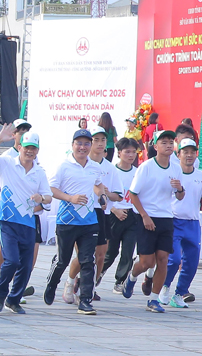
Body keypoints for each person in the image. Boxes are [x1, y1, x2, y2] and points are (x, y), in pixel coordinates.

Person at [0, 126, 51, 314]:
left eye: (33, 148)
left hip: (28, 223)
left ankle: (14, 300)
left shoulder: (39, 172)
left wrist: (41, 198)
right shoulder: (7, 163)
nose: (30, 151)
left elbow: (49, 197)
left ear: (37, 150)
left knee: (26, 266)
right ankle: (0, 295)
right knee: (11, 261)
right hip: (8, 221)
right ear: (19, 147)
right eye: (26, 147)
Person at [122, 130, 184, 312]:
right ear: (155, 146)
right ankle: (132, 276)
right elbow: (133, 195)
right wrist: (144, 216)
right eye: (163, 142)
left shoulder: (175, 167)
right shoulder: (146, 167)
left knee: (163, 259)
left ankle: (154, 299)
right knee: (147, 262)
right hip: (146, 217)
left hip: (166, 217)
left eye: (171, 142)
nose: (168, 145)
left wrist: (180, 188)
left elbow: (180, 196)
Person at [44, 128, 104, 314]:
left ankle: (85, 300)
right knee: (63, 260)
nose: (83, 147)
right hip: (67, 220)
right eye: (79, 143)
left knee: (88, 261)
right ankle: (52, 284)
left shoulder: (95, 166)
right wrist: (70, 198)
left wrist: (101, 195)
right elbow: (51, 189)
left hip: (89, 220)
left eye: (87, 143)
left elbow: (99, 184)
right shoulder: (64, 166)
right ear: (72, 145)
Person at [62, 125, 121, 303]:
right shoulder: (74, 163)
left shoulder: (109, 168)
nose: (100, 143)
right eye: (96, 140)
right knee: (84, 256)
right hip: (81, 211)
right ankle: (70, 282)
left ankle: (88, 288)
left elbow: (117, 195)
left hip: (101, 213)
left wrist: (105, 194)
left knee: (101, 255)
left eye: (103, 140)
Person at [158, 137, 202, 308]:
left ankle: (179, 294)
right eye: (185, 152)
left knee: (192, 262)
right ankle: (164, 286)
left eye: (192, 152)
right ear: (178, 154)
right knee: (174, 259)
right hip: (174, 221)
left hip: (193, 222)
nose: (189, 155)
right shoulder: (172, 173)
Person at [102, 138, 142, 294]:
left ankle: (120, 280)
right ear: (119, 153)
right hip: (114, 213)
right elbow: (104, 193)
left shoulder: (137, 172)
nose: (131, 155)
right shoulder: (112, 171)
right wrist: (114, 210)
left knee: (128, 250)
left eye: (133, 152)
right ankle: (98, 272)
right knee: (110, 251)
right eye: (127, 152)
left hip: (132, 216)